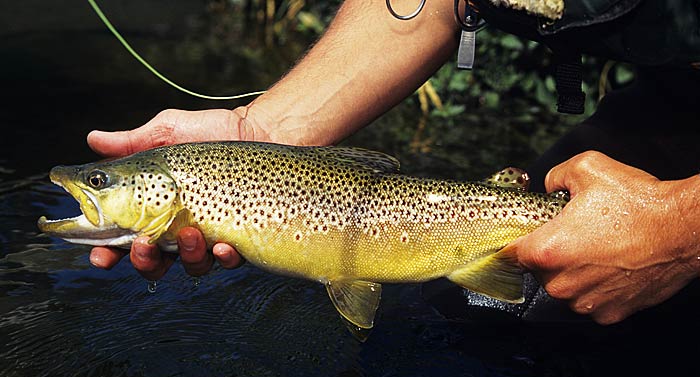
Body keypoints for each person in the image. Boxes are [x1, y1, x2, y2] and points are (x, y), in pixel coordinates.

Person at [87, 0, 700, 325]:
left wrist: (678, 230)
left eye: (98, 185)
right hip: (677, 97)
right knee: (499, 326)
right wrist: (259, 132)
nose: (88, 189)